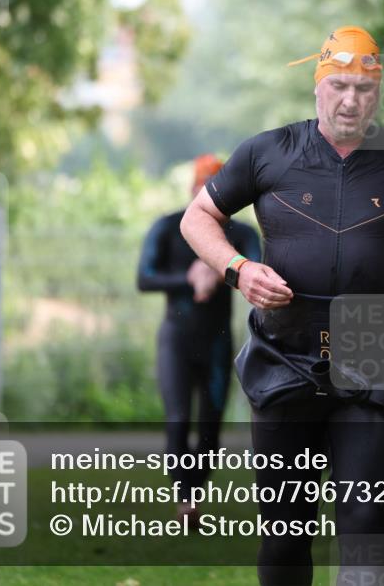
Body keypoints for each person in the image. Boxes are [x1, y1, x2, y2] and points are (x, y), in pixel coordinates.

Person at [180, 25, 384, 586]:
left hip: (372, 349)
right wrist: (239, 270)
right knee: (284, 536)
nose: (350, 100)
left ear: (378, 94)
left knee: (366, 536)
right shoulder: (268, 152)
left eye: (363, 89)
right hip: (285, 352)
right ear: (318, 87)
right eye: (339, 85)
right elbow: (197, 218)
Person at [137, 154, 261, 524]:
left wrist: (218, 268)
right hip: (175, 339)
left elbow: (256, 271)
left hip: (217, 342)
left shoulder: (244, 234)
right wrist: (189, 279)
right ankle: (185, 497)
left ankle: (194, 490)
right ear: (194, 188)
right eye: (206, 186)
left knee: (210, 423)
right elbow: (144, 279)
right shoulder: (167, 227)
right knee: (177, 418)